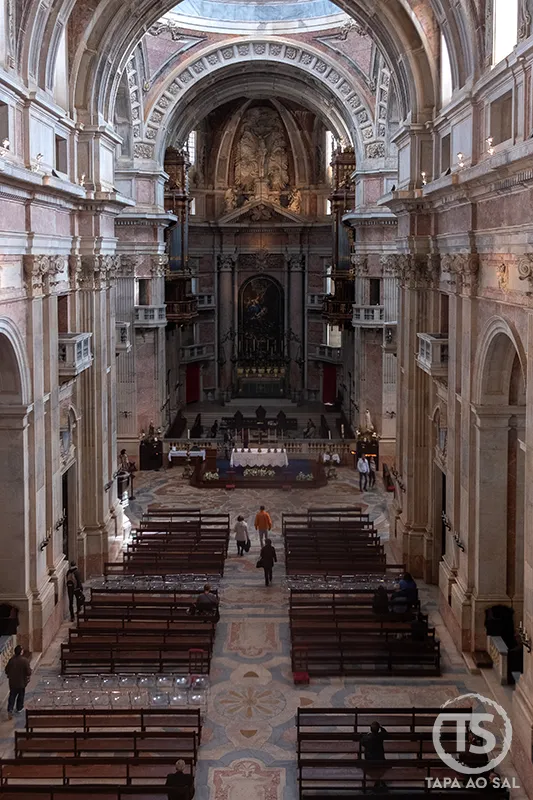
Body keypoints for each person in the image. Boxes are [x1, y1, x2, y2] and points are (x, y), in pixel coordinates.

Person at [5, 645, 32, 720]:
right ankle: (19, 708)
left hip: (12, 682)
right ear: (21, 652)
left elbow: (6, 670)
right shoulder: (24, 660)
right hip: (21, 682)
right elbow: (28, 672)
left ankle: (10, 709)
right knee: (21, 695)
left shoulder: (11, 660)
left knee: (12, 696)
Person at [361, 721, 388, 791]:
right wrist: (381, 728)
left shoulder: (367, 737)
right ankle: (379, 781)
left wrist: (365, 735)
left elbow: (362, 742)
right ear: (378, 729)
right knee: (381, 766)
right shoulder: (380, 736)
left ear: (370, 729)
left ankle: (377, 781)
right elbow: (386, 734)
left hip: (369, 761)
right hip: (380, 760)